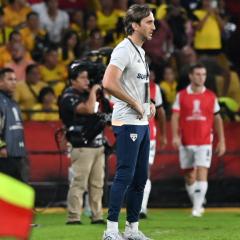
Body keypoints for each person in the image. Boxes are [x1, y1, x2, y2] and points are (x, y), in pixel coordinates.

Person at [101, 4, 156, 240]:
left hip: (143, 122)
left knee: (140, 178)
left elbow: (137, 85)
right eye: (149, 22)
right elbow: (108, 82)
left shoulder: (141, 52)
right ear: (135, 25)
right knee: (124, 174)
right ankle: (111, 229)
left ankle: (132, 229)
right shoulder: (123, 49)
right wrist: (134, 102)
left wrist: (149, 101)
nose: (154, 26)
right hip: (127, 121)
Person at [171, 63, 226, 217]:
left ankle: (196, 209)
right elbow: (175, 116)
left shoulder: (211, 96)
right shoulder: (181, 95)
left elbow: (217, 118)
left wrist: (221, 140)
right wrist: (175, 136)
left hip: (204, 141)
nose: (201, 77)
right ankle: (198, 201)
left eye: (203, 74)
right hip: (186, 141)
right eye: (198, 74)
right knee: (189, 176)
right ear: (190, 76)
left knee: (202, 170)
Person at [59, 63, 106, 225]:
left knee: (97, 184)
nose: (87, 81)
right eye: (83, 78)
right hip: (81, 146)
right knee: (79, 183)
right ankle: (74, 217)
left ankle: (97, 215)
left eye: (88, 77)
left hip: (97, 144)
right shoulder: (68, 96)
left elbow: (103, 112)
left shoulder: (88, 94)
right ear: (73, 81)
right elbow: (89, 109)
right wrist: (94, 90)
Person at [139, 70, 167, 219]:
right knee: (131, 170)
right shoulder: (126, 85)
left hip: (150, 135)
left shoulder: (155, 88)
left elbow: (161, 112)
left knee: (145, 169)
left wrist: (163, 134)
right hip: (131, 133)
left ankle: (142, 207)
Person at [0, 68, 27, 182]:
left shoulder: (13, 102)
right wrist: (1, 146)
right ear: (0, 82)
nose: (14, 82)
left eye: (15, 79)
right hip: (5, 155)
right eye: (10, 79)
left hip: (16, 152)